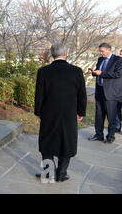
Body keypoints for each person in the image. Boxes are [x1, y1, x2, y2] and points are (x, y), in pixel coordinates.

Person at [34, 43, 86, 183]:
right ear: (66, 53)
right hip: (69, 112)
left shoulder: (43, 71)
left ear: (52, 54)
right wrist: (81, 111)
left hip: (49, 112)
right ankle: (61, 174)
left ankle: (49, 173)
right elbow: (82, 94)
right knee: (67, 141)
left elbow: (39, 94)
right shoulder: (76, 71)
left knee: (47, 141)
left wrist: (38, 112)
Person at [88, 43, 122, 143]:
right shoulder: (100, 59)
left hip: (111, 93)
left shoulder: (118, 60)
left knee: (111, 116)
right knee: (99, 115)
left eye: (102, 51)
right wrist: (93, 72)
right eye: (100, 51)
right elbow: (98, 73)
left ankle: (110, 137)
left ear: (109, 50)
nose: (101, 53)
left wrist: (102, 73)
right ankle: (98, 135)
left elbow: (118, 74)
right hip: (99, 91)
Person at [117, 49, 122, 134]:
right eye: (120, 55)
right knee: (116, 110)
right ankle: (117, 127)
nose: (121, 56)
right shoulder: (118, 64)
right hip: (117, 91)